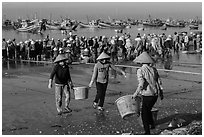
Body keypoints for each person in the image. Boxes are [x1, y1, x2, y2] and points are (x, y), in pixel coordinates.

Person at [132, 51, 163, 135]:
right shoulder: (153, 69)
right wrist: (161, 92)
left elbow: (141, 84)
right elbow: (159, 81)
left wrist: (135, 93)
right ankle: (152, 124)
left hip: (147, 94)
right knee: (148, 109)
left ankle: (147, 132)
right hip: (155, 94)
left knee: (144, 114)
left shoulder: (140, 70)